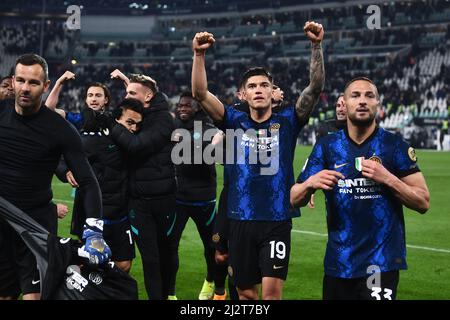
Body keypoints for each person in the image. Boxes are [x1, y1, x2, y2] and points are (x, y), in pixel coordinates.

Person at [191, 20, 325, 300]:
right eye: (252, 86)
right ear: (245, 94)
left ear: (272, 90)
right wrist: (199, 55)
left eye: (265, 84)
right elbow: (200, 94)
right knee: (245, 293)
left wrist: (316, 46)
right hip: (240, 219)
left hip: (276, 218)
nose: (259, 89)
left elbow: (314, 88)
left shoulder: (288, 120)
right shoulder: (233, 119)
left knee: (272, 295)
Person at [290, 77, 430, 300]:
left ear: (378, 104)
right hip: (338, 263)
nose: (363, 101)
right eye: (355, 95)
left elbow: (423, 202)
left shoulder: (394, 146)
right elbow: (293, 199)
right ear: (344, 103)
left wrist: (388, 178)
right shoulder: (327, 146)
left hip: (381, 263)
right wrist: (309, 183)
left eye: (369, 96)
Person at [0, 53, 110, 300]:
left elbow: (89, 181)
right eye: (20, 80)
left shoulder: (60, 129)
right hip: (1, 221)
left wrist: (94, 230)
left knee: (35, 297)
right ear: (13, 81)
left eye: (34, 82)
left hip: (35, 225)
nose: (25, 88)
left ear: (46, 86)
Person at [108, 72, 176, 300]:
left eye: (131, 93)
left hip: (164, 200)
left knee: (166, 255)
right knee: (150, 259)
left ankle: (167, 295)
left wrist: (111, 124)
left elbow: (136, 146)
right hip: (138, 202)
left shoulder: (164, 119)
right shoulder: (141, 114)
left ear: (148, 96)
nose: (126, 96)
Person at [58, 98, 144, 274]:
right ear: (116, 120)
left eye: (136, 124)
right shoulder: (94, 141)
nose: (133, 128)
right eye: (129, 122)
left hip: (121, 217)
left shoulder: (135, 145)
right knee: (92, 266)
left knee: (124, 265)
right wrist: (65, 170)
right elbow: (61, 155)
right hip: (95, 218)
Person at [169, 91, 228, 300]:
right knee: (170, 246)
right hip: (178, 199)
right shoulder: (173, 128)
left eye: (187, 105)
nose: (182, 108)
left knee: (213, 246)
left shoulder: (211, 130)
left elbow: (219, 159)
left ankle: (213, 283)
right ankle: (170, 293)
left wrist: (215, 147)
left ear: (197, 108)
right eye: (180, 105)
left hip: (205, 200)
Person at [309, 93, 347, 208]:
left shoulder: (361, 128)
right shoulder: (326, 128)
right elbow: (315, 159)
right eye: (338, 105)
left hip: (357, 188)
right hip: (334, 191)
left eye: (344, 105)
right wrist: (310, 189)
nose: (340, 109)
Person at [45, 70, 111, 130]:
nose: (93, 99)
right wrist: (59, 83)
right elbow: (48, 110)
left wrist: (122, 79)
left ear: (106, 100)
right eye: (90, 95)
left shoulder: (113, 120)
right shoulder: (79, 119)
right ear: (86, 100)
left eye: (98, 95)